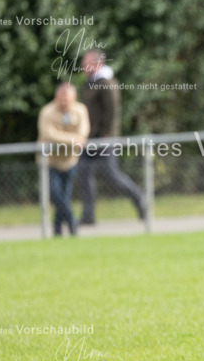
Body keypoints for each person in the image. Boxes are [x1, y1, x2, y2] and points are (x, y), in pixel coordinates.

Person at [75, 50, 145, 224]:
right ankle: (88, 215)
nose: (83, 66)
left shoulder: (106, 82)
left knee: (111, 175)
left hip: (104, 139)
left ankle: (140, 198)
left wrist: (107, 134)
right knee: (84, 174)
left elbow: (112, 110)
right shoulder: (89, 83)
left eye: (86, 62)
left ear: (97, 63)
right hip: (89, 139)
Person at [37, 83, 90, 237]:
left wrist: (70, 139)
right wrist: (73, 139)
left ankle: (57, 229)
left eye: (67, 99)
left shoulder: (80, 110)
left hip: (70, 160)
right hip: (50, 161)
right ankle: (71, 220)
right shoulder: (47, 112)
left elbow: (83, 132)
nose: (63, 102)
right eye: (61, 98)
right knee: (55, 193)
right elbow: (48, 134)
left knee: (64, 196)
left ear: (74, 98)